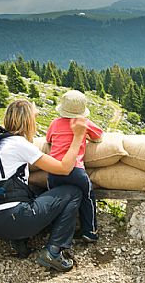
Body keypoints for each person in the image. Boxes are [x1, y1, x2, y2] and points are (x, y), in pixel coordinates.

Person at [0, 99, 87, 272]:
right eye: (34, 116)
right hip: (16, 218)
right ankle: (54, 251)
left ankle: (19, 243)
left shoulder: (0, 142)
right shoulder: (19, 144)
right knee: (73, 192)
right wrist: (78, 136)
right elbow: (64, 168)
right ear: (28, 121)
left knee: (37, 190)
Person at [46, 90, 104, 243]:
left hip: (54, 169)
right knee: (87, 198)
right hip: (76, 170)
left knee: (55, 200)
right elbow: (99, 137)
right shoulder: (83, 123)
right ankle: (90, 232)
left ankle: (55, 232)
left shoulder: (54, 123)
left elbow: (48, 140)